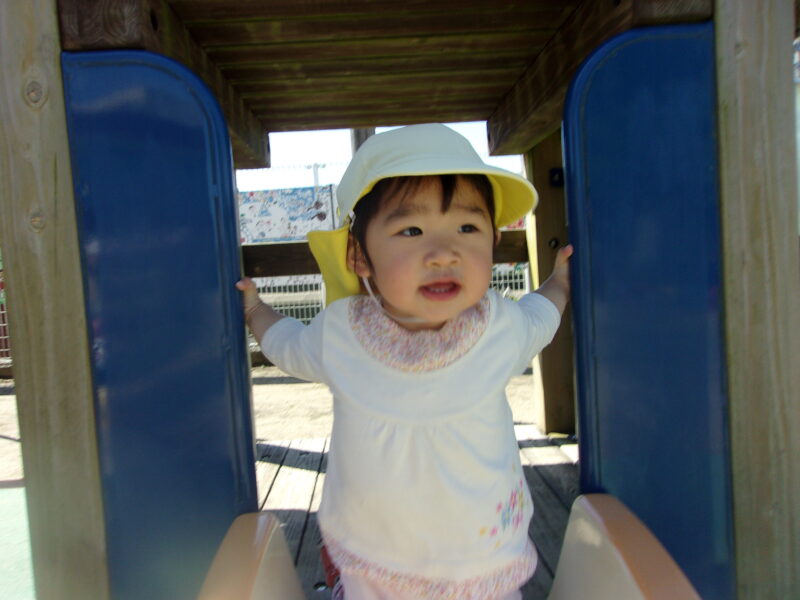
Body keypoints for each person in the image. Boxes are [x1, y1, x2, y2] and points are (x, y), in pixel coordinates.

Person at [237, 124, 572, 600]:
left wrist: (559, 282)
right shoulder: (342, 333)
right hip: (373, 567)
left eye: (468, 228)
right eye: (411, 230)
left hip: (483, 563)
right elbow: (288, 344)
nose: (444, 254)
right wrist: (255, 309)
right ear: (359, 255)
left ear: (494, 241)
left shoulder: (500, 325)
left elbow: (541, 315)